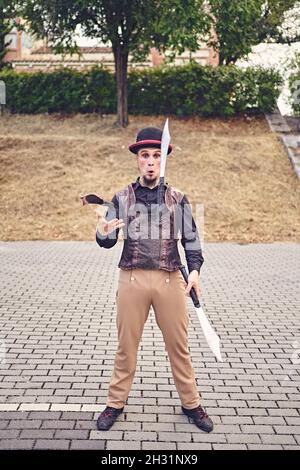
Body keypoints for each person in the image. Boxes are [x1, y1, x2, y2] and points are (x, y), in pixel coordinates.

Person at [95, 126, 213, 433]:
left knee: (179, 346)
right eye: (145, 155)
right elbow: (107, 239)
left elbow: (191, 241)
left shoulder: (178, 198)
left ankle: (191, 404)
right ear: (137, 159)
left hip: (170, 280)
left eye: (156, 156)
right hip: (131, 279)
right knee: (126, 347)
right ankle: (115, 403)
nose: (150, 161)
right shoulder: (121, 197)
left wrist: (195, 270)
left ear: (163, 161)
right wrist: (102, 232)